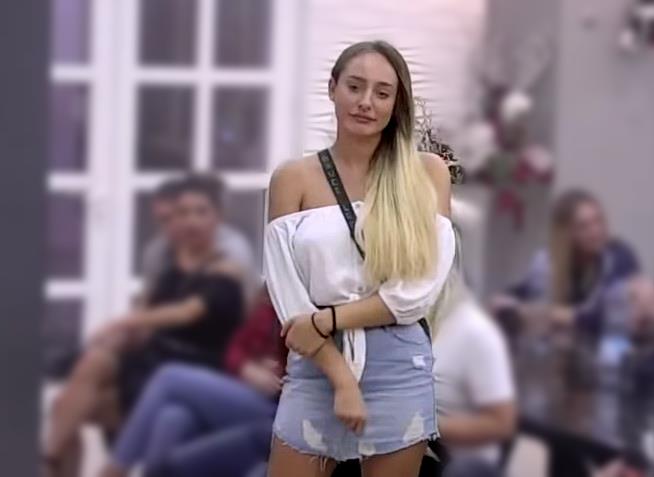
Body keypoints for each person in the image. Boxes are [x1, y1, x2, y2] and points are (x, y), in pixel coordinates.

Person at [264, 40, 456, 477]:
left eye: (382, 93)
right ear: (333, 88)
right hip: (317, 360)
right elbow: (287, 295)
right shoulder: (293, 178)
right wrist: (339, 376)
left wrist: (327, 319)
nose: (366, 102)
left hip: (397, 363)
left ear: (396, 104)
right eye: (355, 86)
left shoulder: (426, 173)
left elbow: (417, 293)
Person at [44, 175, 246, 477]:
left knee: (73, 408)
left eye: (200, 212)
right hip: (152, 359)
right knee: (71, 396)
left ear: (217, 218)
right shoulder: (168, 265)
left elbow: (187, 312)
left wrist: (122, 321)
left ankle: (64, 463)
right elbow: (146, 310)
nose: (191, 221)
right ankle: (50, 462)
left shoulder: (227, 269)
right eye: (183, 213)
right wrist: (122, 336)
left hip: (195, 366)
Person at [98, 290, 284, 477]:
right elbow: (234, 350)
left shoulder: (299, 313)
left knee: (168, 377)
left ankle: (115, 469)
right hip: (246, 392)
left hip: (277, 409)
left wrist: (281, 370)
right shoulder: (269, 307)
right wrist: (246, 367)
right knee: (173, 416)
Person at [492, 188, 640, 338]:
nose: (596, 231)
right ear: (566, 234)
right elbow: (525, 292)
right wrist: (506, 302)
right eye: (583, 227)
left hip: (607, 345)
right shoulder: (548, 261)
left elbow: (606, 316)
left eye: (598, 221)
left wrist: (552, 314)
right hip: (558, 344)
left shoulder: (619, 257)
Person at [433, 279, 516, 477]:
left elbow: (501, 424)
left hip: (459, 464)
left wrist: (422, 427)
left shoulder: (475, 332)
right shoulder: (409, 324)